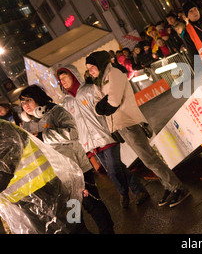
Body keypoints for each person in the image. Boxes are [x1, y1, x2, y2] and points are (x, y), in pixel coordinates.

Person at [85, 51, 191, 208]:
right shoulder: (99, 82)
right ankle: (169, 186)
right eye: (88, 69)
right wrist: (103, 105)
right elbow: (97, 108)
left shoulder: (114, 74)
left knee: (149, 158)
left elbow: (112, 103)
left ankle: (178, 187)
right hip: (120, 125)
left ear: (100, 64)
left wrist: (104, 105)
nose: (91, 71)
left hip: (129, 122)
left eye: (92, 67)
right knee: (147, 159)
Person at [19, 85, 115, 234]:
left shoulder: (57, 112)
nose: (25, 105)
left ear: (38, 99)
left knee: (92, 204)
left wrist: (43, 136)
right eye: (22, 102)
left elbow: (73, 133)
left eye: (28, 100)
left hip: (78, 168)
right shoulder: (30, 123)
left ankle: (108, 231)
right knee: (73, 214)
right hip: (59, 174)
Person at [56, 65, 150, 209]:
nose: (62, 82)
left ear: (73, 75)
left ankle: (123, 193)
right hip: (90, 143)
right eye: (60, 80)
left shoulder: (90, 89)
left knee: (113, 170)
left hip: (105, 134)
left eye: (64, 77)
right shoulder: (66, 102)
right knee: (117, 169)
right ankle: (140, 191)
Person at [0, 120, 86, 234]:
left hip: (42, 191)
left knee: (72, 227)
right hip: (33, 194)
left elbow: (5, 168)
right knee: (72, 225)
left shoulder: (3, 129)